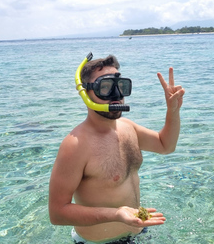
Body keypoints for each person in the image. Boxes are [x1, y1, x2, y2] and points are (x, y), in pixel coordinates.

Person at [48, 54, 185, 243]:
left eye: (120, 86)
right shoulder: (76, 145)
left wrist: (173, 111)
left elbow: (165, 145)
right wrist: (116, 214)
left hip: (138, 232)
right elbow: (57, 213)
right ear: (85, 93)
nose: (116, 95)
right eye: (105, 87)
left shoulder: (128, 127)